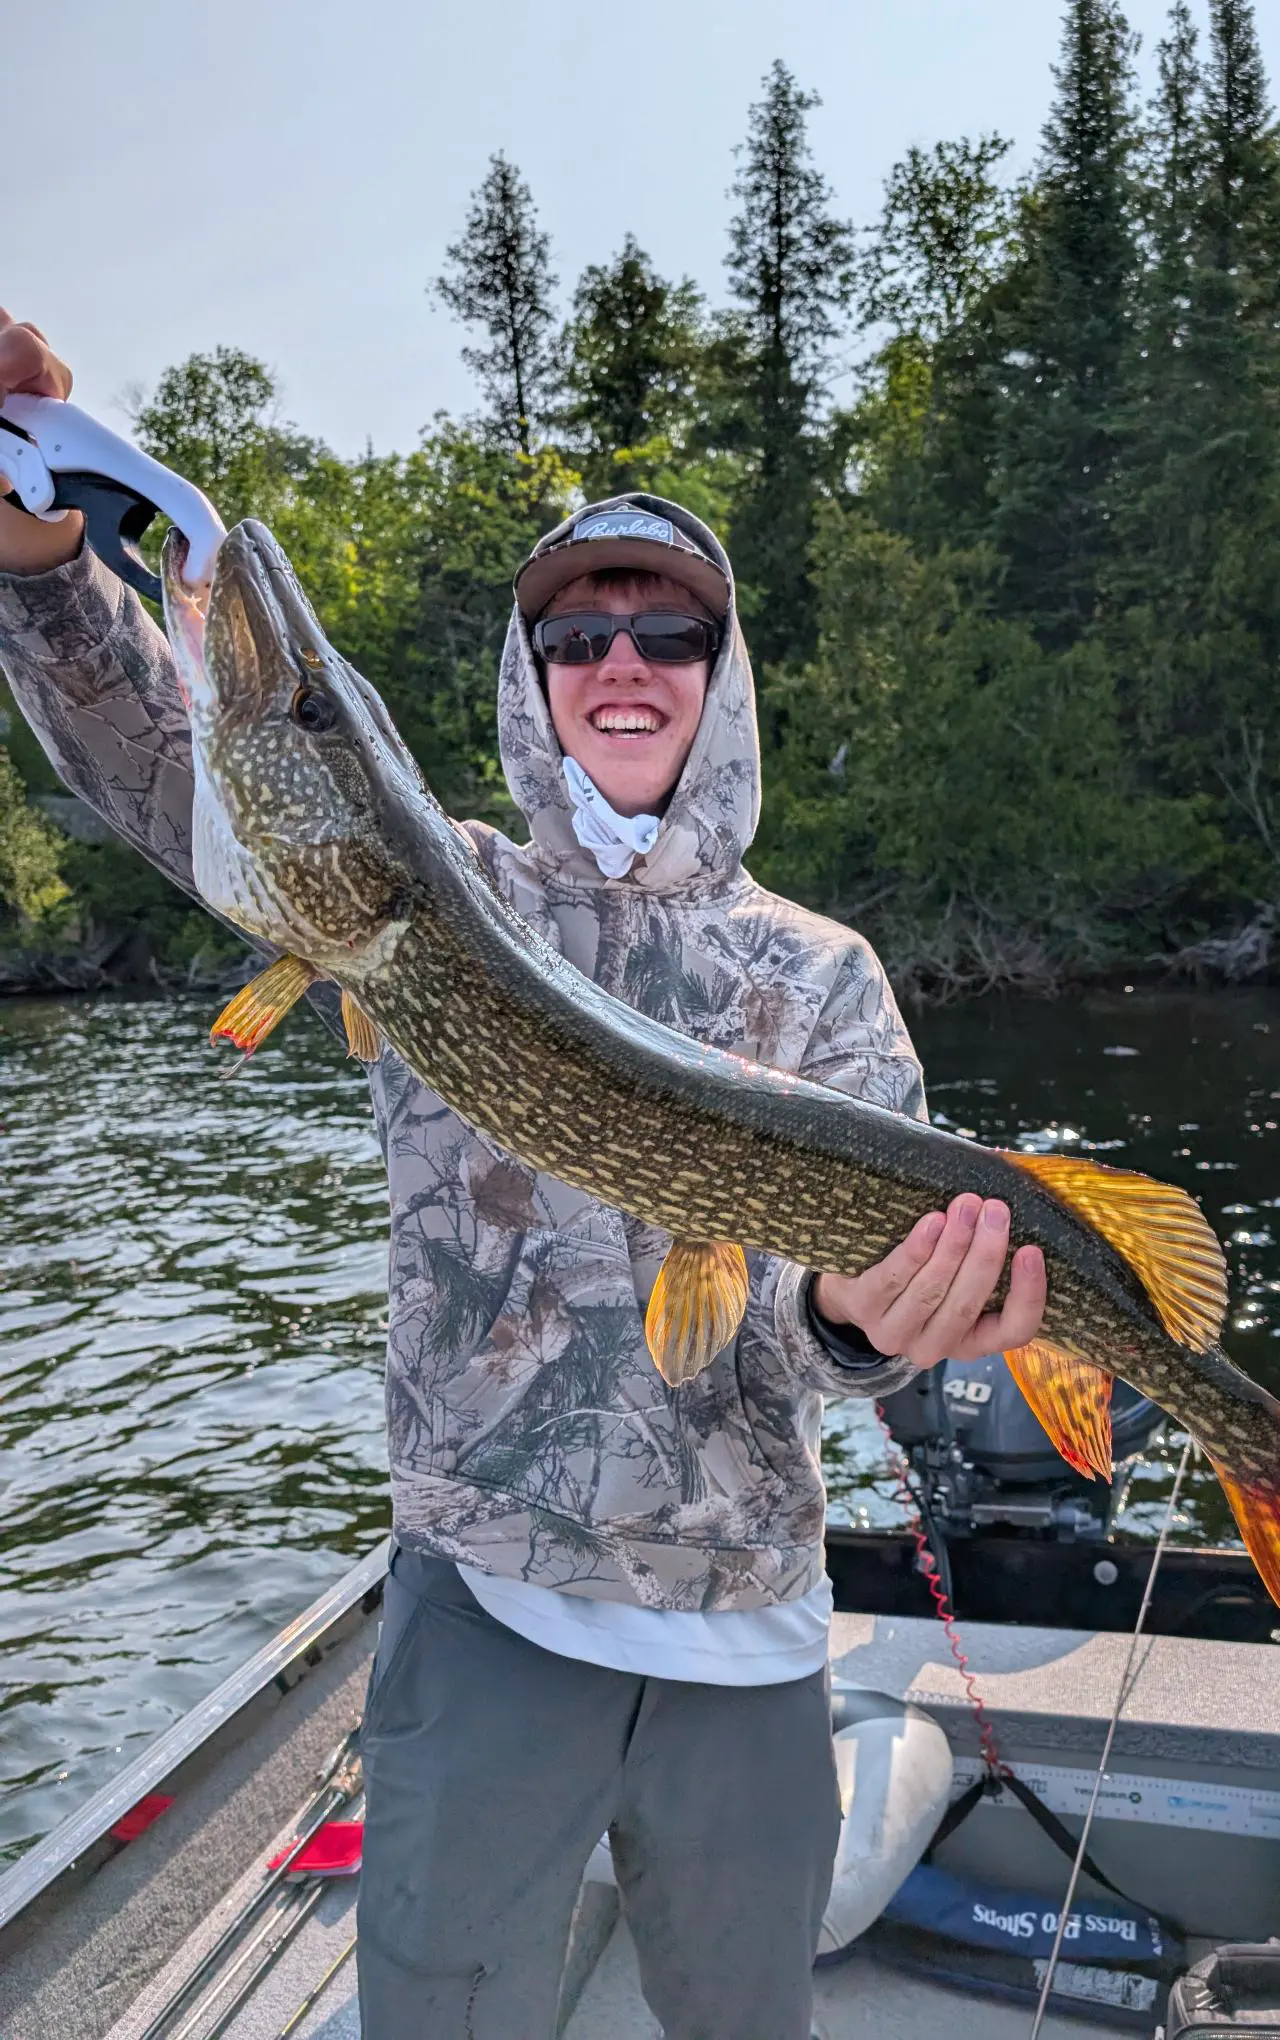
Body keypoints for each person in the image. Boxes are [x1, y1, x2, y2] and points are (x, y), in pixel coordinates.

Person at [0, 309, 1048, 2040]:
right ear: (533, 674)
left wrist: (867, 1316)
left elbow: (806, 1325)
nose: (621, 661)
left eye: (667, 629)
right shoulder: (440, 890)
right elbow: (166, 760)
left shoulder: (824, 975)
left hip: (748, 1639)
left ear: (721, 672)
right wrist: (46, 552)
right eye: (577, 632)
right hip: (482, 1613)